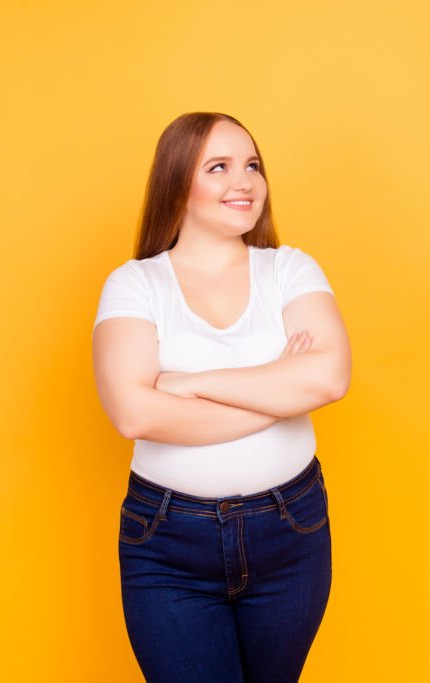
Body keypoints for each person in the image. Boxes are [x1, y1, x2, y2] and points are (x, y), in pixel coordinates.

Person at [91, 112, 352, 683]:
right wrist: (277, 384)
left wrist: (192, 383)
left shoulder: (289, 269)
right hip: (167, 545)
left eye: (253, 165)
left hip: (292, 533)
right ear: (177, 181)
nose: (246, 182)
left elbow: (329, 379)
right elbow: (134, 413)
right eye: (220, 167)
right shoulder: (135, 285)